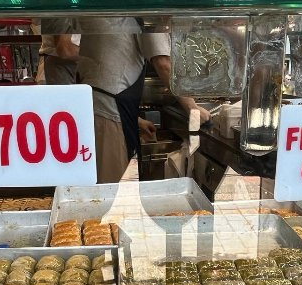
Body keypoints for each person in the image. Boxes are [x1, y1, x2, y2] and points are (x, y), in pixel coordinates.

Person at [56, 18, 210, 183]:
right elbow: (163, 64)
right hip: (108, 111)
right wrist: (192, 108)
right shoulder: (149, 11)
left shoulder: (122, 12)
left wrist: (137, 121)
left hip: (98, 106)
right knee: (114, 186)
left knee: (102, 183)